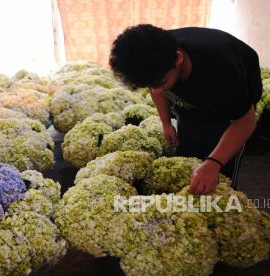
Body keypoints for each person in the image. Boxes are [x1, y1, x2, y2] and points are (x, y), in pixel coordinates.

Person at [109, 24, 262, 194]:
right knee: (188, 148)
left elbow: (245, 122)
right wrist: (166, 123)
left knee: (219, 164)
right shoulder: (153, 57)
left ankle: (222, 198)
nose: (157, 91)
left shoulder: (222, 71)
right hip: (193, 96)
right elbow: (156, 89)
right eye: (151, 85)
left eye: (161, 83)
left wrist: (213, 163)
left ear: (178, 58)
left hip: (228, 93)